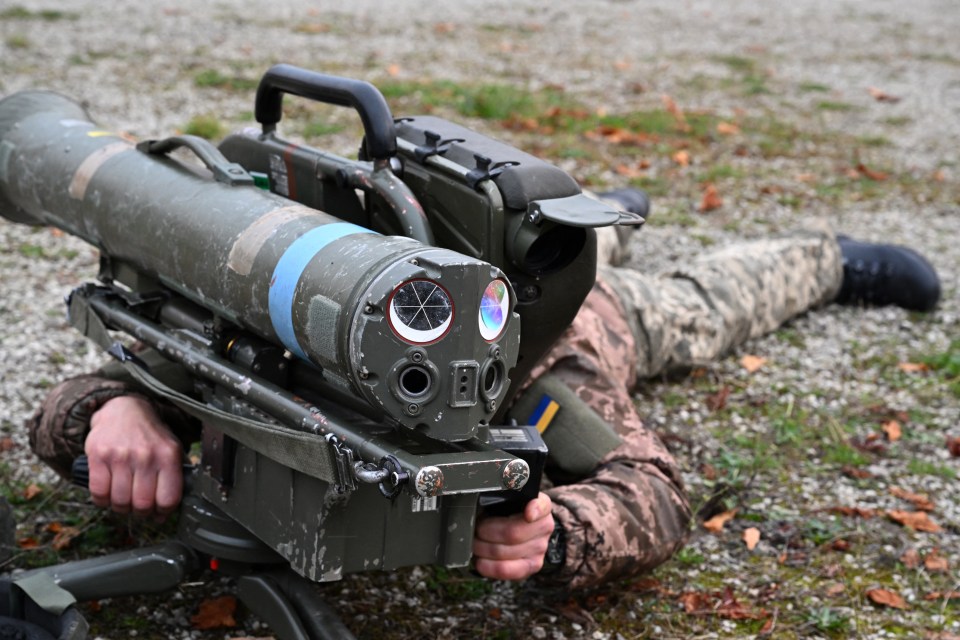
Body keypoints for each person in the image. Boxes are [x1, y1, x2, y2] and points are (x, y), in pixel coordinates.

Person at [27, 190, 941, 590]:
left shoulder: (542, 373)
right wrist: (120, 405)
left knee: (693, 309)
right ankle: (597, 216)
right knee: (570, 225)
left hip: (567, 314)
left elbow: (652, 492)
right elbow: (102, 389)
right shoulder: (304, 311)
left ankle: (824, 260)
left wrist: (556, 534)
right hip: (447, 263)